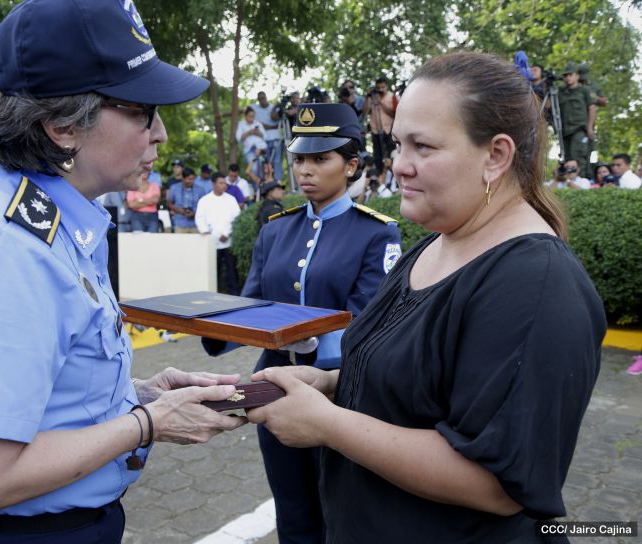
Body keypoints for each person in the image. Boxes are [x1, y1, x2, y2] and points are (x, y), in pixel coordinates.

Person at [0, 2, 246, 542]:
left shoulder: (53, 217)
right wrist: (149, 423)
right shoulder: (11, 251)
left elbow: (48, 391)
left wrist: (141, 394)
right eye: (143, 110)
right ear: (63, 126)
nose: (160, 133)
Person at [247, 51, 606, 544]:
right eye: (398, 144)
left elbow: (497, 482)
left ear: (496, 155)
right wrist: (329, 381)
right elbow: (417, 385)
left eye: (423, 147)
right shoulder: (436, 243)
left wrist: (328, 425)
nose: (399, 166)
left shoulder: (535, 282)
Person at [206, 102, 402, 543]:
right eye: (300, 159)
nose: (305, 170)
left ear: (351, 166)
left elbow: (368, 320)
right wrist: (209, 324)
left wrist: (317, 348)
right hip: (273, 384)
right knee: (292, 510)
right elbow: (253, 304)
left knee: (340, 514)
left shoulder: (376, 232)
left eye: (321, 158)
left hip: (339, 391)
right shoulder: (276, 229)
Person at [194, 172, 242, 295]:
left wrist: (226, 233)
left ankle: (234, 294)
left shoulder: (231, 200)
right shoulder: (204, 200)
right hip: (211, 243)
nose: (224, 186)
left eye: (224, 183)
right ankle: (214, 293)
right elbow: (200, 218)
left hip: (228, 241)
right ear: (213, 184)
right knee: (214, 270)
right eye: (221, 183)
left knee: (231, 270)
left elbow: (236, 218)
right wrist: (206, 233)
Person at [558, 63, 595, 177]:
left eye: (570, 74)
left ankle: (581, 182)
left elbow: (592, 108)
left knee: (578, 157)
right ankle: (568, 185)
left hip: (579, 129)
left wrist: (589, 128)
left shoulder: (584, 90)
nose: (568, 77)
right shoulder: (560, 92)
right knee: (567, 159)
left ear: (577, 76)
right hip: (564, 131)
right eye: (565, 75)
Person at [367, 76, 396, 172]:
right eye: (379, 88)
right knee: (377, 157)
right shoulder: (371, 97)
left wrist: (381, 103)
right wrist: (368, 96)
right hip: (375, 131)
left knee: (392, 154)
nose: (381, 90)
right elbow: (364, 112)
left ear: (387, 86)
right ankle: (380, 177)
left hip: (389, 130)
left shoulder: (392, 96)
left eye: (383, 87)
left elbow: (394, 113)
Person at [167, 166, 206, 233]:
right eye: (189, 179)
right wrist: (178, 210)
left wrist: (194, 213)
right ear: (183, 178)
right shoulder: (174, 188)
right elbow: (169, 203)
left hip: (196, 224)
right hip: (180, 224)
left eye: (193, 179)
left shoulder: (200, 190)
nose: (192, 181)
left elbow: (205, 206)